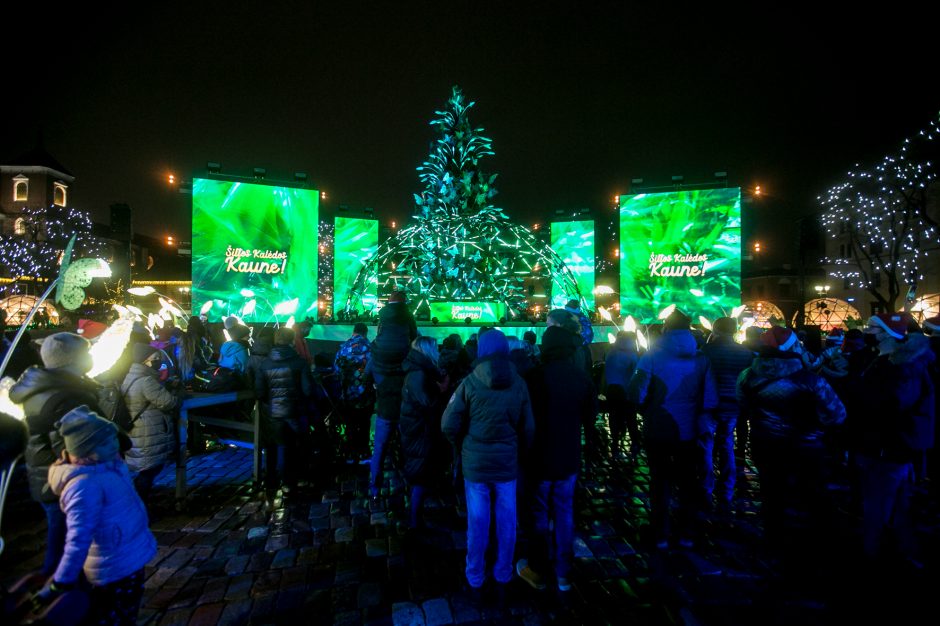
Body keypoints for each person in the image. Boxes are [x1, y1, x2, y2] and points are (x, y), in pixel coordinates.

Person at [33, 405, 156, 625]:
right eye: (105, 442)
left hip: (127, 554)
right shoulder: (84, 486)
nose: (114, 444)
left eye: (112, 438)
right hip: (113, 565)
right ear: (84, 450)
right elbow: (78, 539)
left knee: (127, 608)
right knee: (114, 614)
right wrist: (62, 581)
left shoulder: (107, 466)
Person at [737, 326, 846, 555]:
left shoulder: (747, 375)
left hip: (765, 444)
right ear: (792, 347)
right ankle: (815, 544)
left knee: (771, 493)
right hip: (805, 448)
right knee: (812, 493)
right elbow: (837, 414)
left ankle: (774, 540)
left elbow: (744, 406)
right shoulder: (810, 380)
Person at [442, 329, 534, 596]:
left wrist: (461, 444)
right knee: (507, 520)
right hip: (507, 464)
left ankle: (475, 576)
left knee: (478, 521)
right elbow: (528, 428)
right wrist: (518, 451)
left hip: (476, 465)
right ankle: (504, 572)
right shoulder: (519, 383)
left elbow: (449, 424)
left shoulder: (469, 383)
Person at [10, 332, 104, 577]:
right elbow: (78, 446)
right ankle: (60, 591)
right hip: (64, 482)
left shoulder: (47, 388)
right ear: (72, 359)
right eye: (85, 353)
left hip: (50, 478)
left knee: (62, 535)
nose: (90, 357)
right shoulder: (65, 395)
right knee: (67, 542)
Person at [627, 310, 718, 549]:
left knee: (659, 481)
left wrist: (644, 410)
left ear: (665, 328)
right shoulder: (701, 358)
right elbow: (710, 398)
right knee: (688, 481)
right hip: (688, 431)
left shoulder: (651, 356)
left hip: (658, 427)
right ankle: (686, 532)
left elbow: (636, 393)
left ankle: (661, 533)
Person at [517, 325, 595, 593]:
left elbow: (521, 419)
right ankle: (563, 573)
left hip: (538, 456)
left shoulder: (532, 377)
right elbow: (590, 419)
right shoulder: (581, 377)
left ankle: (538, 569)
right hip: (568, 457)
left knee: (538, 515)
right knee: (564, 513)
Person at [853, 313, 935, 562]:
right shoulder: (888, 360)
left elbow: (892, 405)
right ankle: (904, 551)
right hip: (885, 445)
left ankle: (872, 554)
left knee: (877, 504)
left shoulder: (903, 366)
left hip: (888, 447)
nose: (868, 332)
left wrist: (859, 396)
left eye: (873, 329)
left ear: (889, 334)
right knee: (897, 504)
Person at [701, 317, 754, 513]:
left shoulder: (706, 351)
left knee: (705, 445)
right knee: (726, 444)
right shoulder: (745, 353)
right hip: (732, 404)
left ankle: (706, 488)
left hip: (709, 404)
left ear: (715, 330)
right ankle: (727, 489)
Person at [368, 291, 417, 501]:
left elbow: (367, 374)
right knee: (408, 447)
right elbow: (414, 336)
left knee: (379, 447)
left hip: (386, 411)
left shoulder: (379, 365)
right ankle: (408, 483)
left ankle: (374, 486)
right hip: (404, 411)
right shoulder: (406, 371)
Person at [254, 327, 313, 496]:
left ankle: (274, 481)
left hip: (274, 413)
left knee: (276, 446)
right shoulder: (299, 362)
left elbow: (259, 392)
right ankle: (296, 480)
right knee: (298, 446)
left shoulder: (265, 364)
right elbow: (308, 390)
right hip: (296, 411)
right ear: (292, 340)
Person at [399, 336, 448, 527]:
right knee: (420, 474)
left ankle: (416, 516)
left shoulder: (419, 370)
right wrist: (442, 393)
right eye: (435, 348)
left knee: (421, 472)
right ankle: (414, 521)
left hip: (418, 429)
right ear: (428, 351)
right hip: (419, 431)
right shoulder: (418, 373)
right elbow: (428, 404)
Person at [120, 344, 178, 500]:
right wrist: (175, 393)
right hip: (148, 431)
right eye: (155, 359)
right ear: (145, 361)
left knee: (146, 469)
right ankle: (137, 503)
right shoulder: (146, 381)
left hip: (138, 429)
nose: (158, 362)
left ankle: (136, 500)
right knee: (149, 470)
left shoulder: (131, 376)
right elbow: (168, 402)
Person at [334, 323, 374, 463]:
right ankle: (364, 452)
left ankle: (350, 452)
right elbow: (374, 369)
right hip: (365, 392)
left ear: (354, 331)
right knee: (364, 422)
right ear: (366, 332)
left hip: (348, 393)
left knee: (350, 423)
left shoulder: (343, 347)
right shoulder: (369, 347)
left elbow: (337, 370)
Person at [604, 331, 640, 458]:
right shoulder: (631, 354)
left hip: (612, 388)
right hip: (626, 390)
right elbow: (636, 374)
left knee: (614, 416)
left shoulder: (611, 352)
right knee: (631, 418)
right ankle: (635, 444)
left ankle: (615, 443)